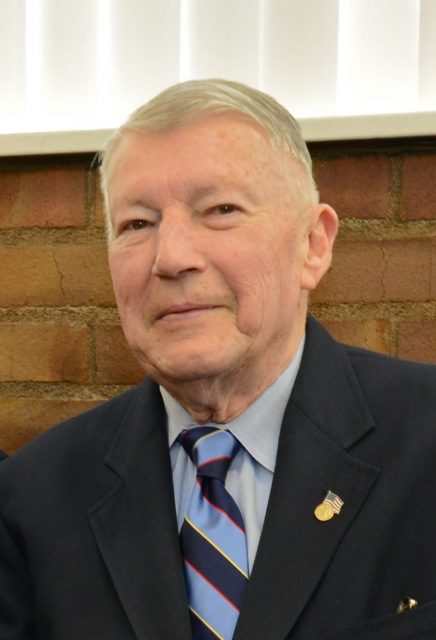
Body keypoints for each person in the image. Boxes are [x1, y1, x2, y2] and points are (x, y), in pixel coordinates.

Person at [0, 79, 436, 640]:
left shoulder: (425, 441)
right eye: (137, 223)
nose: (172, 257)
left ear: (313, 245)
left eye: (221, 210)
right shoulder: (33, 498)